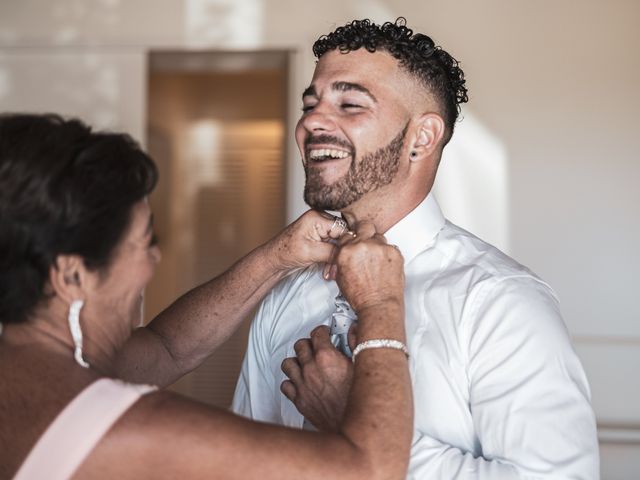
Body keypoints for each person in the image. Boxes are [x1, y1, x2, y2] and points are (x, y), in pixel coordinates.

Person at [232, 18, 600, 478]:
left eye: (349, 104)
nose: (311, 122)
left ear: (421, 138)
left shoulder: (499, 299)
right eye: (310, 104)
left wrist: (355, 419)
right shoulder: (284, 298)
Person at [0, 113, 414, 479]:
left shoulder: (23, 368)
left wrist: (279, 255)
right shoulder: (121, 428)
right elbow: (371, 470)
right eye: (145, 242)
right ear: (72, 275)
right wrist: (381, 305)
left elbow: (167, 349)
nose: (154, 259)